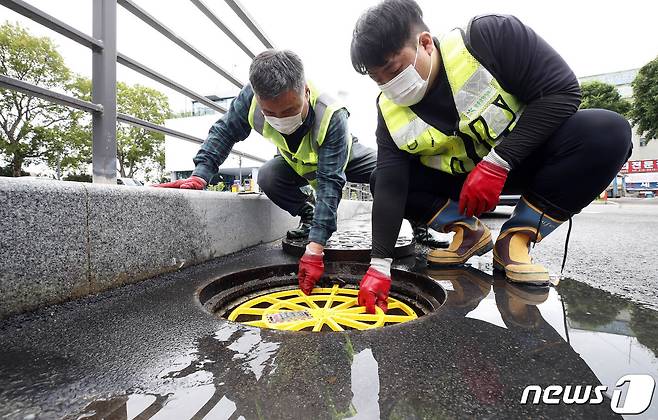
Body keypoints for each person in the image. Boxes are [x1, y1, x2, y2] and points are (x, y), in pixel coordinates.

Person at [350, 0, 632, 313]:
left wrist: (499, 162)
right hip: (462, 185)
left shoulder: (489, 38)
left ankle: (516, 239)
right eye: (379, 79)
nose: (390, 86)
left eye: (395, 71)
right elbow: (391, 182)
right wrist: (379, 264)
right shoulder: (389, 111)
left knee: (608, 132)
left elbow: (563, 92)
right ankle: (467, 232)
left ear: (425, 43)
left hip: (527, 162)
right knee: (380, 179)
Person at [155, 49, 380, 295]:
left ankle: (419, 224)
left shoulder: (331, 115)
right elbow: (224, 131)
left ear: (305, 90)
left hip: (342, 157)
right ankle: (307, 214)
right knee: (268, 176)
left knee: (388, 171)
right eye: (270, 113)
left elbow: (330, 184)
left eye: (289, 111)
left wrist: (316, 248)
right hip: (296, 162)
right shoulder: (251, 98)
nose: (281, 119)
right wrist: (201, 174)